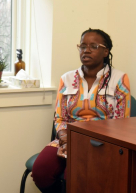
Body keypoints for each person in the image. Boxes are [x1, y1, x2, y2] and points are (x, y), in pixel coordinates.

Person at [31, 28, 131, 193]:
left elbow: (121, 123)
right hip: (68, 139)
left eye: (93, 46)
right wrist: (64, 138)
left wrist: (88, 142)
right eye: (83, 46)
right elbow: (60, 118)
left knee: (78, 176)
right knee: (40, 171)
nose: (86, 50)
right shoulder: (67, 78)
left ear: (106, 51)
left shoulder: (119, 79)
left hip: (101, 144)